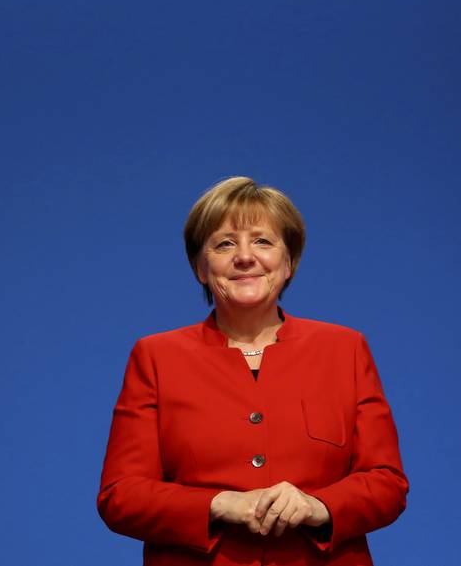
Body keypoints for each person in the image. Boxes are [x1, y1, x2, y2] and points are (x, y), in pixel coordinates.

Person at [97, 177, 408, 565]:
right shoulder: (156, 357)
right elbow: (120, 495)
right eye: (225, 244)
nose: (245, 257)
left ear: (289, 261)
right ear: (200, 267)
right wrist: (219, 503)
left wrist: (318, 506)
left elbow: (387, 483)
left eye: (262, 241)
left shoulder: (345, 349)